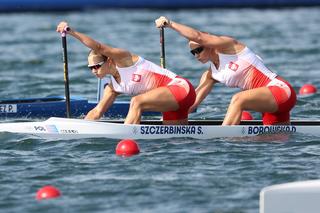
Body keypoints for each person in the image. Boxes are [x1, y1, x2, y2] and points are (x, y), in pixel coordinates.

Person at [155, 16, 296, 126]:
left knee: (238, 99)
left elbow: (198, 36)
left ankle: (224, 138)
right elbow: (192, 104)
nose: (196, 55)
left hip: (281, 91)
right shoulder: (211, 75)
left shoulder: (231, 47)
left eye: (199, 50)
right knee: (276, 144)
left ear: (208, 44)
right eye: (193, 53)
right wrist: (167, 118)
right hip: (270, 106)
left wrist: (170, 24)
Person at [56, 21, 196, 125]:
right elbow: (97, 112)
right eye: (90, 68)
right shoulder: (112, 88)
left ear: (109, 61)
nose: (94, 71)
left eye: (97, 66)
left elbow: (98, 47)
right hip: (171, 103)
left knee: (136, 101)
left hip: (182, 89)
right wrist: (78, 128)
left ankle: (126, 137)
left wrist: (71, 32)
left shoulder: (124, 59)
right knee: (175, 142)